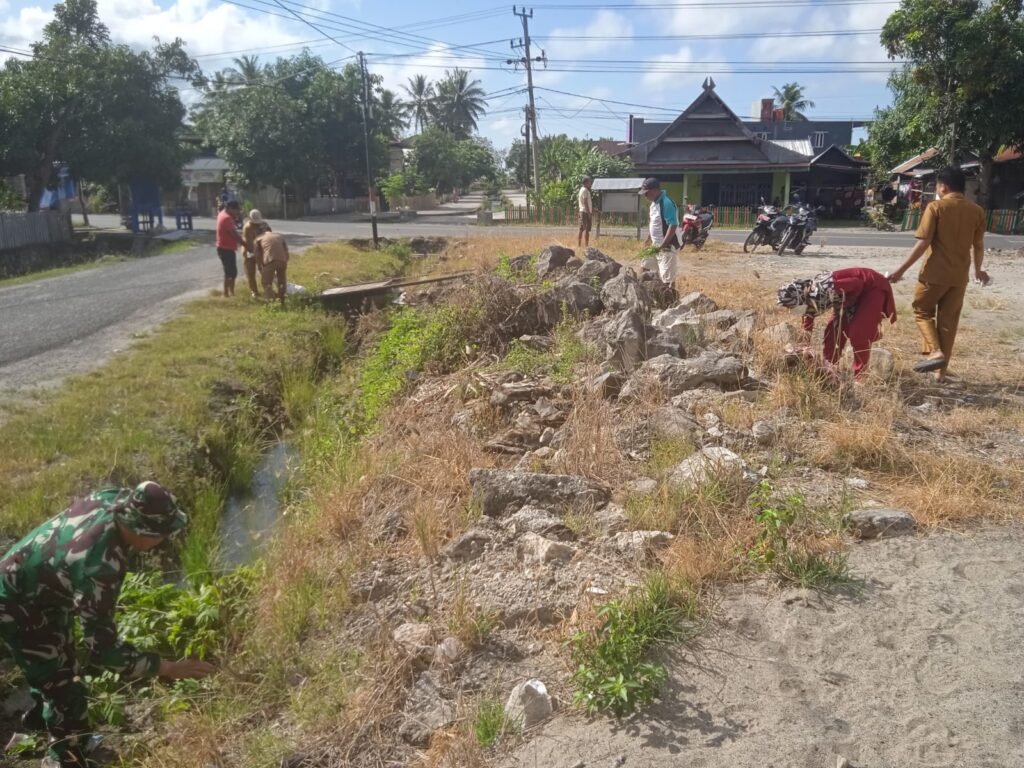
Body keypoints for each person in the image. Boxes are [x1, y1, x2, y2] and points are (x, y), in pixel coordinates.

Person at [0, 482, 216, 768]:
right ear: (141, 530)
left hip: (36, 586)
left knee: (60, 658)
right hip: (17, 606)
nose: (163, 541)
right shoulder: (99, 568)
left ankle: (43, 715)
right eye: (161, 535)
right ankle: (65, 758)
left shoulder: (114, 499)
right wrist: (167, 668)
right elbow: (103, 650)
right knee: (65, 686)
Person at [888, 166, 990, 382]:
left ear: (943, 186)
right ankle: (940, 374)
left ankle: (935, 352)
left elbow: (923, 243)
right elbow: (978, 245)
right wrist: (978, 270)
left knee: (921, 311)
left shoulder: (936, 207)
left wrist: (900, 270)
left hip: (933, 275)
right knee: (948, 323)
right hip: (959, 277)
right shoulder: (977, 211)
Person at [777, 267, 897, 379]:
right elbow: (807, 328)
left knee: (859, 334)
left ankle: (860, 378)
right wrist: (803, 350)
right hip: (847, 300)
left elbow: (857, 283)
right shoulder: (808, 300)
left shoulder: (825, 288)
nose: (790, 309)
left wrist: (852, 310)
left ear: (797, 297)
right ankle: (830, 369)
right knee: (832, 333)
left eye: (790, 305)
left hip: (870, 288)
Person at [640, 177, 679, 284]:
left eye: (647, 193)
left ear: (655, 190)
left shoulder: (666, 203)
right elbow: (654, 223)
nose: (645, 196)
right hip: (654, 245)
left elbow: (673, 225)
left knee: (667, 279)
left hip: (666, 246)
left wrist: (663, 245)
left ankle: (670, 300)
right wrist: (648, 239)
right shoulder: (653, 204)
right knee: (644, 267)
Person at [255, 228, 290, 306]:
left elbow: (257, 255)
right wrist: (285, 261)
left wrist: (260, 266)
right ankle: (282, 301)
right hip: (282, 260)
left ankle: (272, 302)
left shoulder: (259, 238)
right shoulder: (279, 236)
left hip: (270, 260)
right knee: (281, 282)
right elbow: (286, 251)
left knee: (266, 282)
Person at [216, 200, 243, 297]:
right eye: (236, 210)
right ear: (231, 208)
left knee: (232, 272)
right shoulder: (227, 218)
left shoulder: (222, 214)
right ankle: (226, 293)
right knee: (229, 272)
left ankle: (231, 292)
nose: (237, 212)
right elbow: (234, 234)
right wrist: (244, 244)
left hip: (226, 247)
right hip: (225, 248)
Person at [241, 209, 270, 298]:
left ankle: (268, 290)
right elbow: (248, 243)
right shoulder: (247, 227)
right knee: (251, 273)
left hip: (261, 251)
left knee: (265, 272)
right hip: (250, 251)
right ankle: (254, 291)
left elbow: (269, 237)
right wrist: (252, 254)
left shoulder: (265, 226)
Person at [577, 176, 593, 248]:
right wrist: (589, 213)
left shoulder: (582, 189)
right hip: (585, 212)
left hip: (583, 211)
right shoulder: (585, 190)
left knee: (581, 229)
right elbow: (585, 202)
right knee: (586, 229)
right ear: (586, 182)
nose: (591, 183)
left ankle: (579, 245)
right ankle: (586, 246)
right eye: (590, 182)